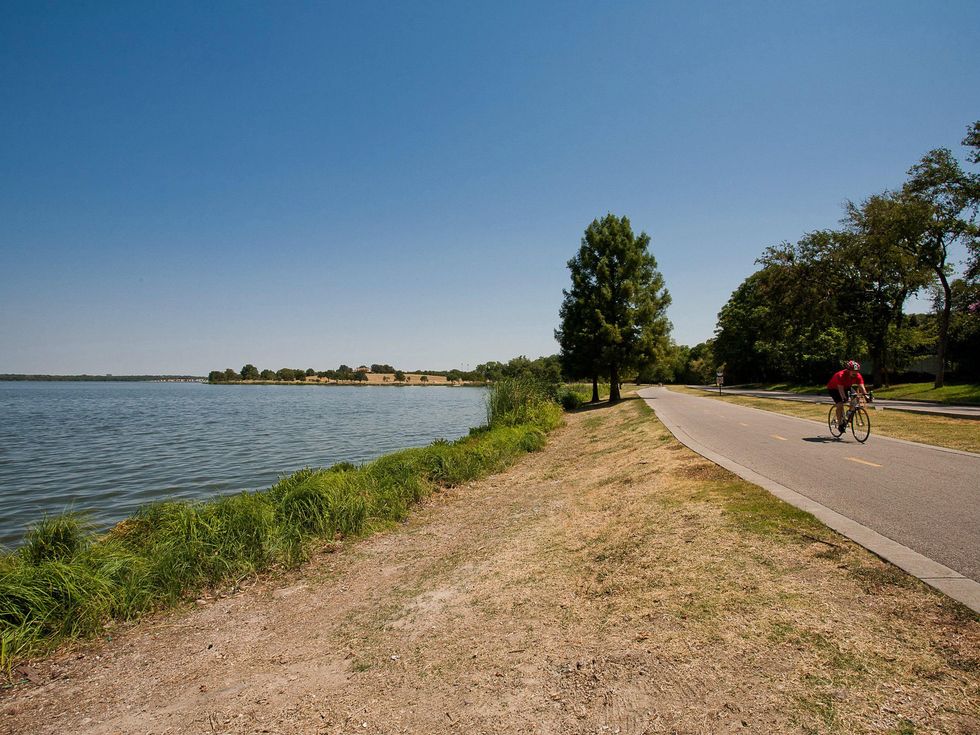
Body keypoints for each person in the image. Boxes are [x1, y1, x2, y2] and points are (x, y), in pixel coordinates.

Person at [827, 360, 869, 428]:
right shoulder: (841, 375)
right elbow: (840, 389)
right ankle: (840, 423)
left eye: (857, 371)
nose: (855, 372)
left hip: (846, 387)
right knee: (840, 404)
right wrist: (844, 398)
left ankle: (849, 412)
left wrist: (866, 396)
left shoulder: (858, 376)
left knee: (856, 397)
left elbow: (862, 387)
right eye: (853, 371)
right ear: (848, 370)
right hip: (834, 389)